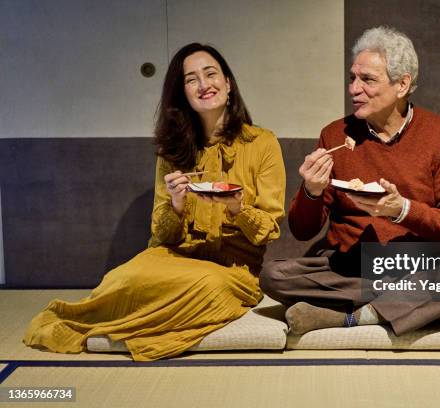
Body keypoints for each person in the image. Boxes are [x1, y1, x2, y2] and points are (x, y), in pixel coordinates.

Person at [23, 43, 286, 361]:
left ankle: (139, 327)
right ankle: (115, 319)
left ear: (228, 83)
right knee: (121, 279)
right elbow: (161, 236)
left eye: (211, 73)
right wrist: (176, 203)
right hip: (175, 258)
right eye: (191, 79)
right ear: (183, 93)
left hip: (232, 269)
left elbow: (269, 230)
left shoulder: (262, 142)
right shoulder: (172, 150)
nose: (204, 85)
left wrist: (236, 206)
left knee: (209, 286)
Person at [259, 26, 440, 336]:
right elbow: (303, 230)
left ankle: (355, 317)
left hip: (422, 268)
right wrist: (311, 191)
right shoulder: (335, 135)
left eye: (367, 80)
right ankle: (418, 308)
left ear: (402, 84)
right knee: (273, 274)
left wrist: (401, 209)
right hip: (354, 269)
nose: (353, 89)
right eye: (352, 78)